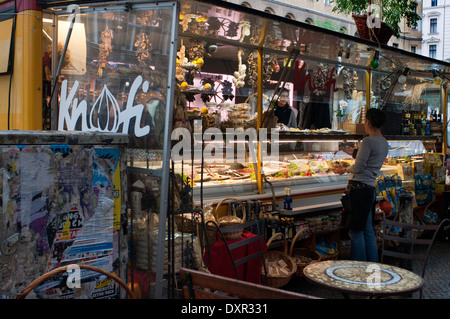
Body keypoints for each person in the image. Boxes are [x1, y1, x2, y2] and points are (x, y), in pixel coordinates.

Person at [333, 108, 389, 262]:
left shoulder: (368, 141)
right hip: (370, 189)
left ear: (368, 122)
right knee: (368, 230)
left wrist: (343, 169)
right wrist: (355, 152)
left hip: (358, 189)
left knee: (356, 231)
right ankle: (372, 264)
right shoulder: (383, 142)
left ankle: (358, 267)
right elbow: (371, 157)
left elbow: (359, 167)